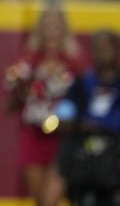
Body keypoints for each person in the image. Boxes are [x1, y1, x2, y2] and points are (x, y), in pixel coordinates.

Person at [4, 0, 85, 205]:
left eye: (56, 22)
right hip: (33, 136)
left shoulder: (76, 61)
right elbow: (8, 107)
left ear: (64, 26)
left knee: (51, 199)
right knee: (40, 200)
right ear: (39, 27)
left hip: (64, 139)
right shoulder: (26, 60)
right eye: (46, 22)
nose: (51, 27)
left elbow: (85, 99)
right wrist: (21, 88)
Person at [53, 30, 120, 206]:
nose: (101, 53)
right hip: (81, 155)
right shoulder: (81, 83)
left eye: (106, 48)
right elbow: (63, 115)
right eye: (96, 48)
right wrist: (72, 124)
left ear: (115, 50)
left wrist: (101, 125)